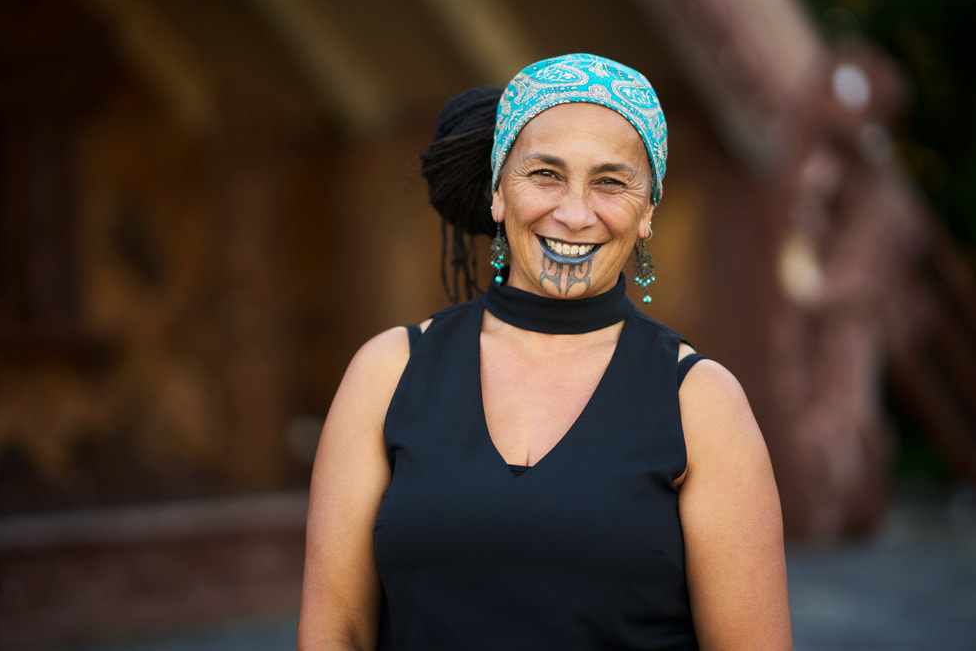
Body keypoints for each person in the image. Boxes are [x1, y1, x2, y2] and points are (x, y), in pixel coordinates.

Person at [298, 53, 792, 650]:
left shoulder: (702, 404)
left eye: (610, 181)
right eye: (545, 174)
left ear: (647, 213)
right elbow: (335, 633)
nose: (575, 213)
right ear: (499, 193)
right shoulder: (388, 373)